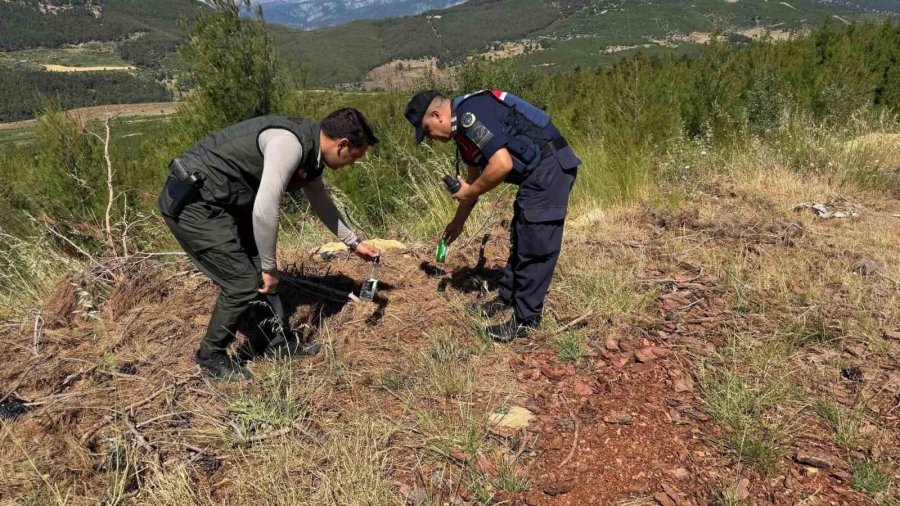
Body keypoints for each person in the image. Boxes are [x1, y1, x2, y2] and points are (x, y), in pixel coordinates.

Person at [157, 109, 380, 379]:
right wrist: (269, 266)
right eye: (355, 157)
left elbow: (321, 202)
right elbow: (265, 208)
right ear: (342, 144)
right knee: (243, 281)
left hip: (223, 203)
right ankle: (211, 356)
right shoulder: (289, 145)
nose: (353, 164)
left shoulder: (312, 153)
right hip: (194, 204)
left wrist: (353, 243)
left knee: (256, 272)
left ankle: (276, 344)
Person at [404, 90, 579, 342]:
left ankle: (525, 321)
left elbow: (501, 164)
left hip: (550, 167)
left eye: (427, 130)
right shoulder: (462, 133)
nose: (429, 138)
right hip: (537, 173)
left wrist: (469, 192)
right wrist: (458, 222)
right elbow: (474, 181)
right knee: (521, 235)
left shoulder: (469, 115)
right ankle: (507, 298)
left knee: (535, 244)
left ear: (436, 115)